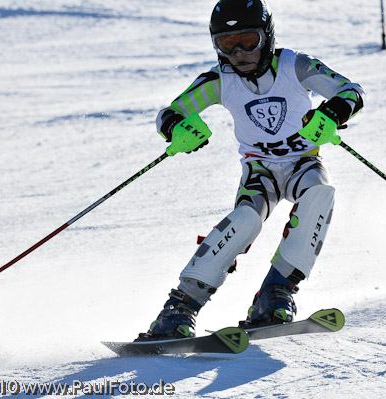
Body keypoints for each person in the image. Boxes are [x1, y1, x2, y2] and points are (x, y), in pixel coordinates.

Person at [135, 0, 364, 341]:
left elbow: (351, 91)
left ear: (267, 37)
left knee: (320, 195)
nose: (239, 53)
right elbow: (171, 111)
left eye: (248, 41)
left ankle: (276, 294)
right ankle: (180, 307)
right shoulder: (220, 80)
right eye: (227, 44)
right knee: (245, 221)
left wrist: (332, 114)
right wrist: (177, 129)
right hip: (261, 170)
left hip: (304, 161)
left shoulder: (295, 65)